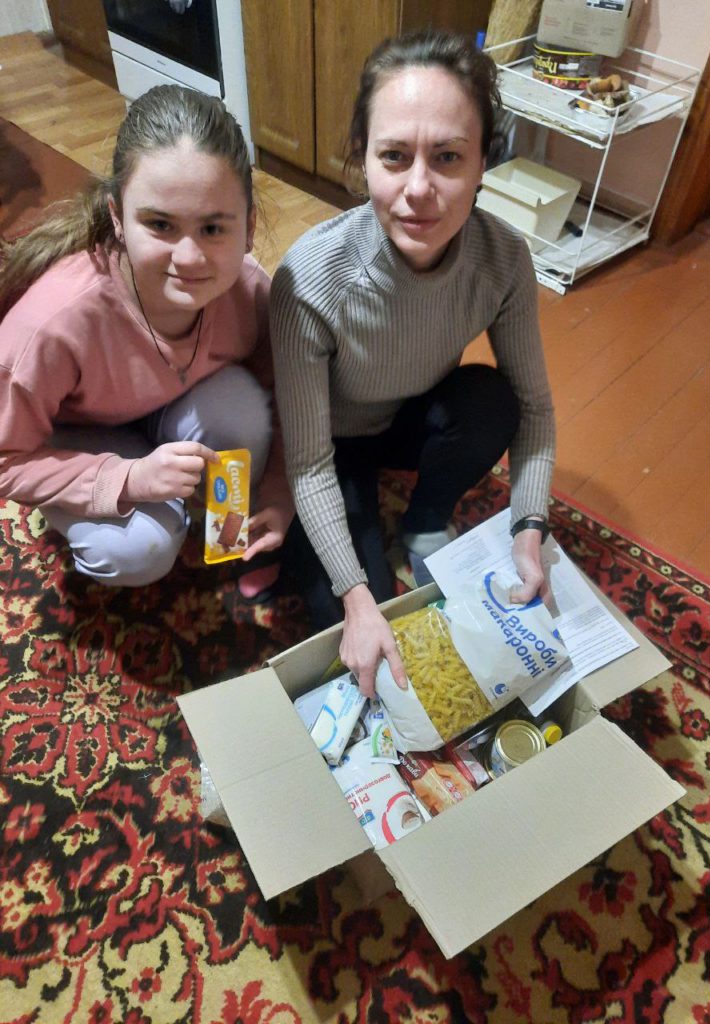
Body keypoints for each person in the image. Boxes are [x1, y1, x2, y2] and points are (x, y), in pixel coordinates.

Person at [270, 30, 555, 697]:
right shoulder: (310, 277)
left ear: (484, 162)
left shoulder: (504, 258)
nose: (419, 189)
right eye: (394, 157)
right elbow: (306, 462)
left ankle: (426, 517)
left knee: (494, 400)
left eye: (448, 157)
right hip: (330, 445)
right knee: (359, 628)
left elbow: (536, 407)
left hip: (410, 415)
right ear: (362, 157)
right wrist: (356, 596)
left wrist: (529, 529)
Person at [0, 85, 292, 589]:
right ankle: (97, 507)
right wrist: (128, 478)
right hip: (76, 433)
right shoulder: (47, 326)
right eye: (160, 224)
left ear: (249, 228)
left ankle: (220, 532)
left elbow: (288, 396)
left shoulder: (251, 293)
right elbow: (6, 461)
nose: (190, 258)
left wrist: (279, 487)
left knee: (246, 414)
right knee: (139, 549)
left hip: (172, 407)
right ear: (117, 217)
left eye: (213, 229)